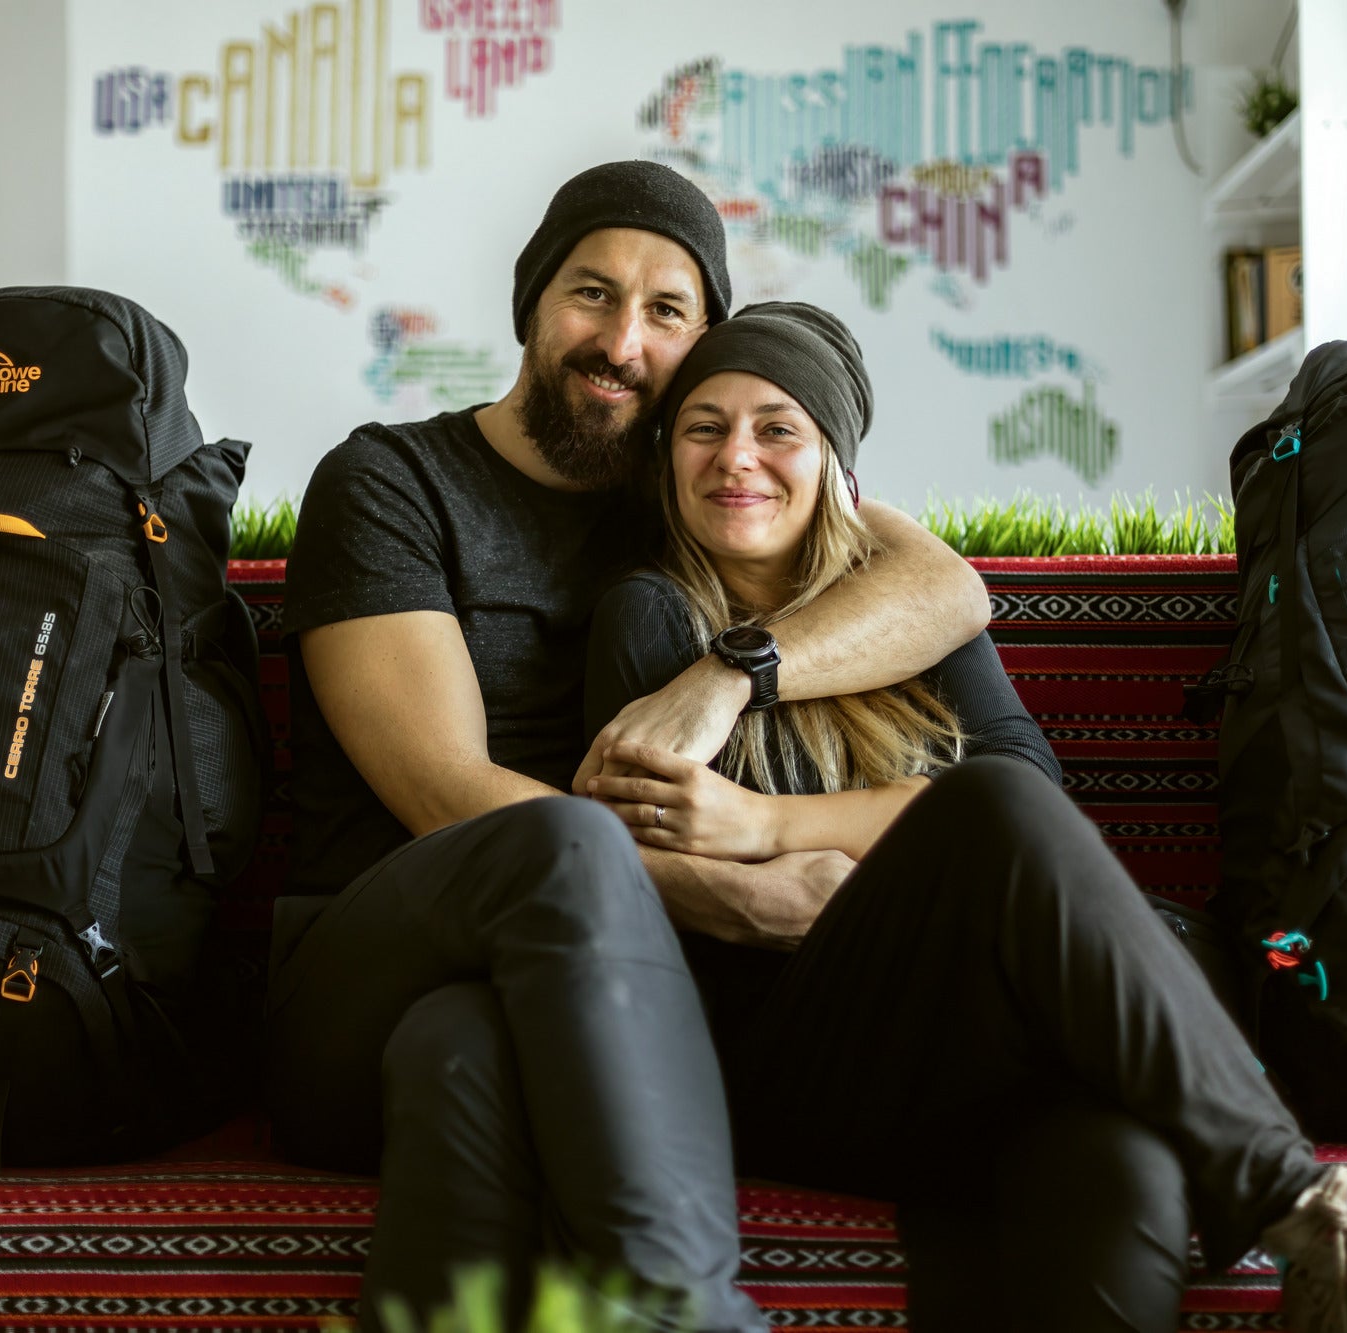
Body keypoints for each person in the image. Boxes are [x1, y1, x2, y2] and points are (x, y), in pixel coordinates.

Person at [578, 301, 1347, 1333]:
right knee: (982, 804)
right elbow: (646, 851)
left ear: (833, 464)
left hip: (973, 1037)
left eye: (776, 428)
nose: (736, 459)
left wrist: (768, 825)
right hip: (780, 1051)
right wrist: (842, 849)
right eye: (703, 426)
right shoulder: (652, 614)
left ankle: (1329, 1279)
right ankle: (1322, 1227)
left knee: (1120, 1160)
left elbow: (1031, 795)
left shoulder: (898, 611)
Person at [268, 161, 991, 1331]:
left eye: (666, 312)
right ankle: (687, 1309)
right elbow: (447, 793)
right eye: (589, 294)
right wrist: (729, 893)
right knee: (554, 840)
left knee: (465, 1054)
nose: (618, 341)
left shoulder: (700, 488)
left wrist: (728, 672)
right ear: (532, 305)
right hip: (360, 968)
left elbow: (940, 585)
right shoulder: (391, 481)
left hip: (527, 1007)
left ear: (701, 341)